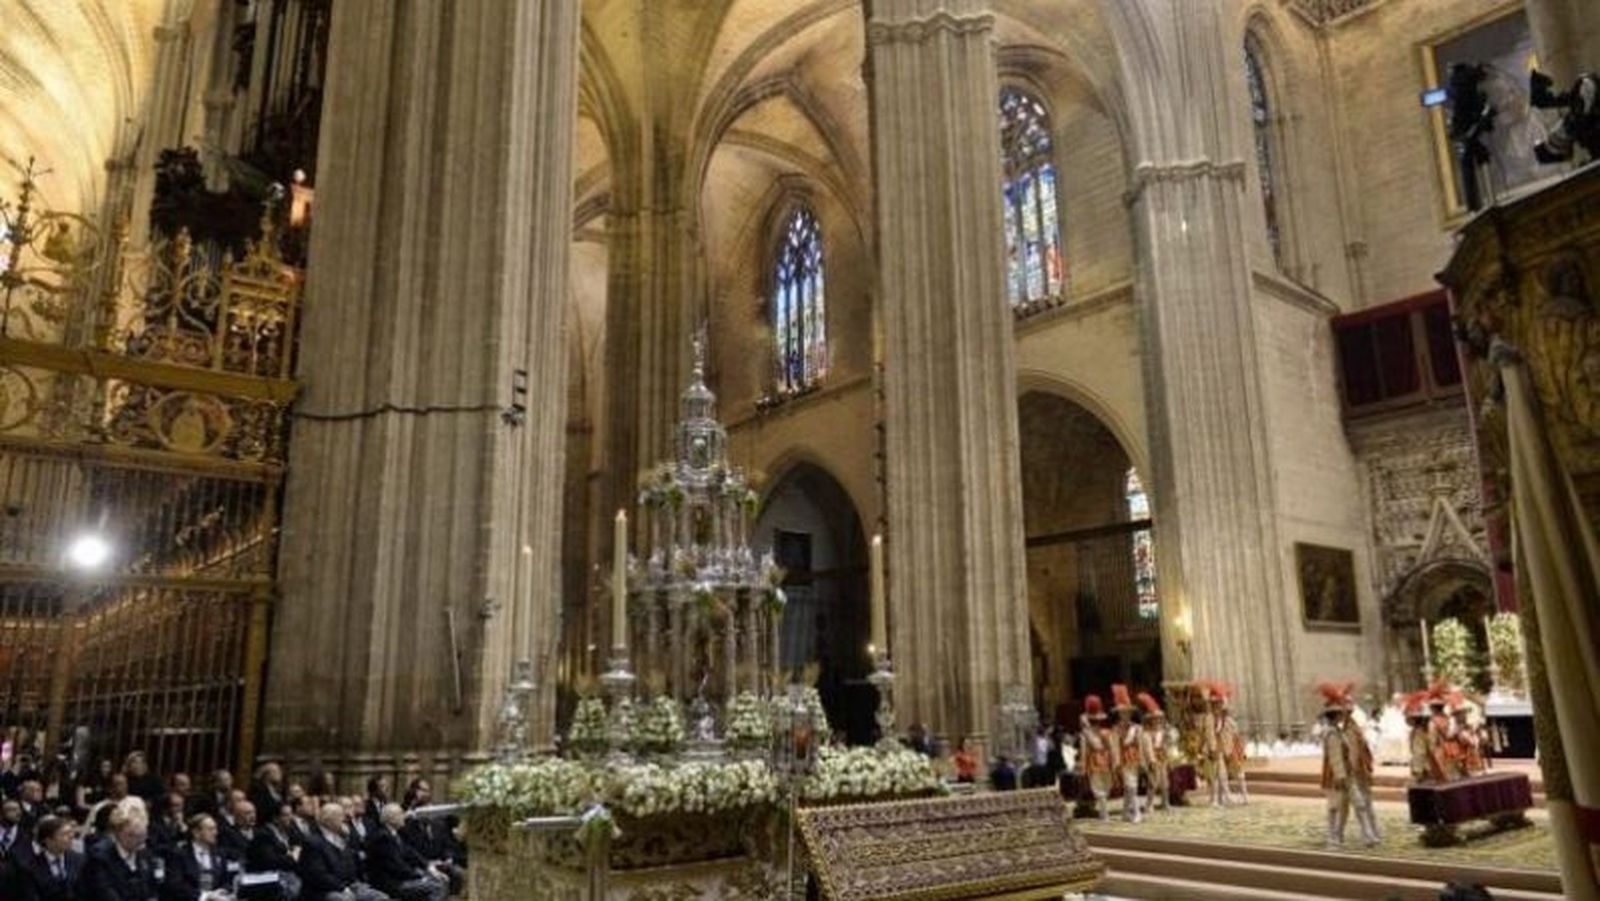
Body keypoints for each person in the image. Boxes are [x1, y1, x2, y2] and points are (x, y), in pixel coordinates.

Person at [81, 797, 166, 901]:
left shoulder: (145, 856)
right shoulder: (100, 859)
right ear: (118, 833)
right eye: (132, 835)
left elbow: (151, 890)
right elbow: (106, 894)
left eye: (141, 836)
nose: (138, 841)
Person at [298, 802, 387, 901]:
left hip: (349, 885)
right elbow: (318, 875)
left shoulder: (342, 837)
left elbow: (353, 865)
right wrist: (342, 887)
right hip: (323, 890)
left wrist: (348, 838)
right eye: (340, 816)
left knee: (380, 897)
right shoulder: (313, 842)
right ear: (329, 820)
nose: (344, 819)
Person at [363, 805, 445, 901]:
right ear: (391, 819)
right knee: (436, 887)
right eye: (400, 814)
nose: (404, 817)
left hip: (401, 878)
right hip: (391, 883)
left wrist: (427, 866)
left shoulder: (395, 834)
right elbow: (396, 865)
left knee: (441, 880)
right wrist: (420, 876)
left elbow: (410, 853)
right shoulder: (383, 838)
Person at [1339, 687, 1382, 848]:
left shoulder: (1354, 725)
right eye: (1346, 707)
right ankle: (1365, 834)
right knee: (1351, 805)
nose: (1348, 710)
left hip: (1359, 769)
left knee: (1365, 802)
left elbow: (1361, 747)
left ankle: (1372, 832)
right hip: (1347, 771)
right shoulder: (1339, 729)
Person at [161, 813, 240, 901]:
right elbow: (175, 885)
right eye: (210, 829)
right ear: (196, 833)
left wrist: (222, 891)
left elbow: (226, 880)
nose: (216, 833)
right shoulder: (179, 854)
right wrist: (206, 896)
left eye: (215, 828)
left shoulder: (220, 853)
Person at [12, 815, 85, 901]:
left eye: (70, 833)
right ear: (48, 840)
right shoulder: (29, 867)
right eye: (64, 834)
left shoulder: (80, 860)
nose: (71, 837)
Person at [1318, 683, 1352, 849]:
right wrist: (1341, 776)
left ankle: (1337, 835)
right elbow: (1335, 757)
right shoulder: (1332, 734)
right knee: (1335, 806)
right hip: (1335, 774)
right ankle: (1333, 837)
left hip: (1341, 772)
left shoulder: (1337, 731)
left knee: (1341, 806)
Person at [246, 803, 303, 900]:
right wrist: (292, 856)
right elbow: (271, 861)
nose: (291, 818)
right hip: (269, 877)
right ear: (276, 818)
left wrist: (293, 855)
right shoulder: (264, 835)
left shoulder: (291, 831)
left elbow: (300, 849)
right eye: (286, 815)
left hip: (288, 873)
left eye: (291, 814)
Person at [1110, 685, 1144, 823]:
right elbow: (1114, 747)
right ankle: (1135, 811)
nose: (1125, 715)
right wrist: (1115, 762)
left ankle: (1126, 812)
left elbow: (1141, 745)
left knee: (1130, 785)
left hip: (1134, 758)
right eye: (1122, 713)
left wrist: (1143, 761)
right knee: (1131, 785)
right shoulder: (1116, 729)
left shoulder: (1137, 728)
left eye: (1127, 713)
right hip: (1123, 759)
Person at [1076, 695, 1113, 821]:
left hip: (1098, 761)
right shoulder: (1105, 732)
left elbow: (1088, 748)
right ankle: (1103, 811)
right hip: (1101, 760)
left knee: (1101, 785)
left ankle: (1104, 811)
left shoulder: (1093, 733)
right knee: (1101, 786)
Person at [1136, 692, 1173, 813]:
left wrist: (1167, 741)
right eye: (1155, 720)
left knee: (1164, 781)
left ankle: (1165, 802)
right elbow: (1147, 749)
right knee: (1153, 782)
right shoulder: (1146, 734)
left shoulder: (1163, 732)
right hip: (1153, 758)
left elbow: (1167, 744)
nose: (1157, 722)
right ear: (1150, 721)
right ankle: (1149, 803)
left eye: (1159, 720)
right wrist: (1151, 761)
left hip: (1162, 756)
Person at [1212, 684, 1248, 805]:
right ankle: (1226, 796)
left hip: (1231, 748)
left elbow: (1236, 736)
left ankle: (1244, 795)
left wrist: (1240, 750)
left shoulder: (1230, 722)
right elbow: (1214, 736)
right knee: (1221, 773)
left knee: (1239, 772)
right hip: (1219, 750)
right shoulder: (1214, 721)